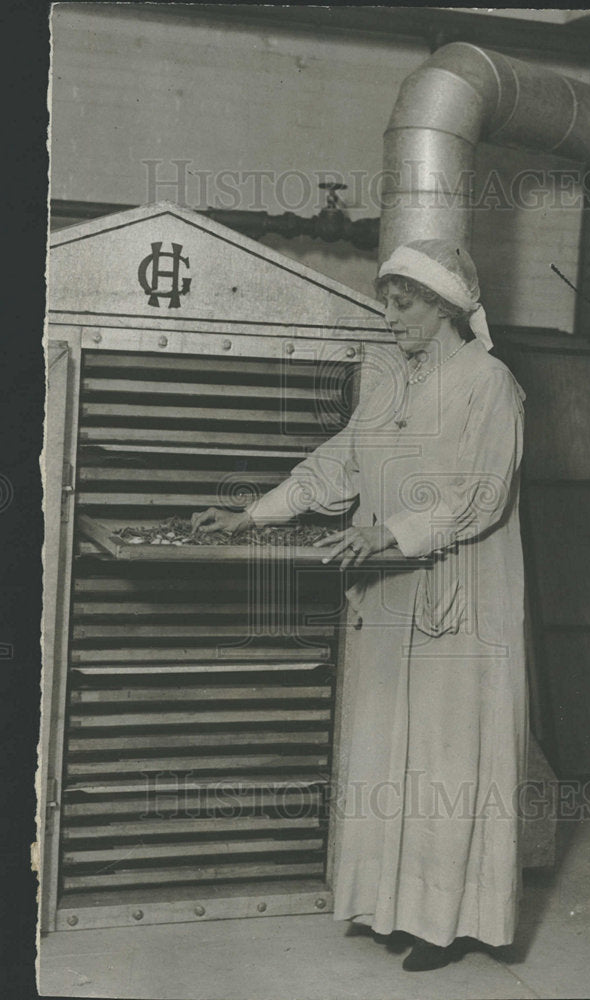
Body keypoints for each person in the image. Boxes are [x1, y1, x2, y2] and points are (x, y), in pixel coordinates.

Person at [192, 240, 527, 972]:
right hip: (385, 588)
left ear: (444, 307)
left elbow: (482, 494)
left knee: (445, 756)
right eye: (387, 304)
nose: (389, 318)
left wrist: (392, 531)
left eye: (402, 305)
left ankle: (448, 922)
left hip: (458, 596)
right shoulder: (391, 383)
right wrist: (253, 514)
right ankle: (393, 906)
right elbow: (337, 465)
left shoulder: (489, 383)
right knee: (385, 751)